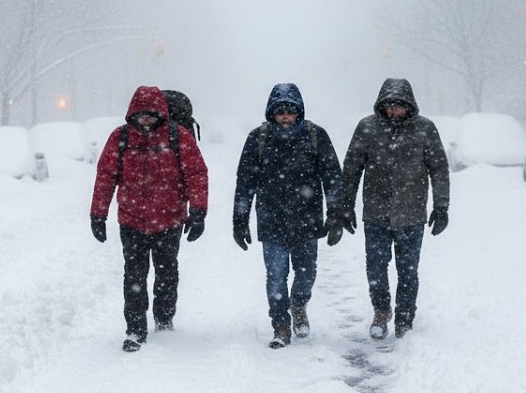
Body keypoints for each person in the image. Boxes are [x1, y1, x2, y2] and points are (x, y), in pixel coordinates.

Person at [90, 86, 209, 353]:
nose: (146, 119)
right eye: (141, 114)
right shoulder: (120, 139)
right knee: (134, 275)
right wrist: (98, 214)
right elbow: (105, 177)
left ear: (161, 114)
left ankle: (164, 319)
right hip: (131, 220)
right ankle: (135, 328)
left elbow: (196, 174)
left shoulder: (178, 137)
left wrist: (198, 211)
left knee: (167, 272)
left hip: (170, 219)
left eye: (151, 114)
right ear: (132, 114)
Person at [232, 83, 344, 349]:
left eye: (290, 111)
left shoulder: (316, 136)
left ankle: (299, 304)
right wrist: (240, 219)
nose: (285, 117)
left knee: (307, 274)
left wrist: (336, 214)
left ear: (299, 112)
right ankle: (280, 324)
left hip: (307, 219)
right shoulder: (258, 138)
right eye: (280, 111)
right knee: (276, 275)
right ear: (271, 113)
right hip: (272, 219)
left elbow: (332, 177)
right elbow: (245, 182)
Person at [337, 78, 450, 340]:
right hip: (376, 213)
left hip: (411, 214)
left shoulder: (425, 129)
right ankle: (381, 310)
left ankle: (404, 319)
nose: (393, 112)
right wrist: (346, 204)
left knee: (408, 269)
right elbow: (352, 168)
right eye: (389, 107)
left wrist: (441, 206)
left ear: (408, 105)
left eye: (398, 107)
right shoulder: (367, 128)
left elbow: (439, 169)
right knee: (376, 267)